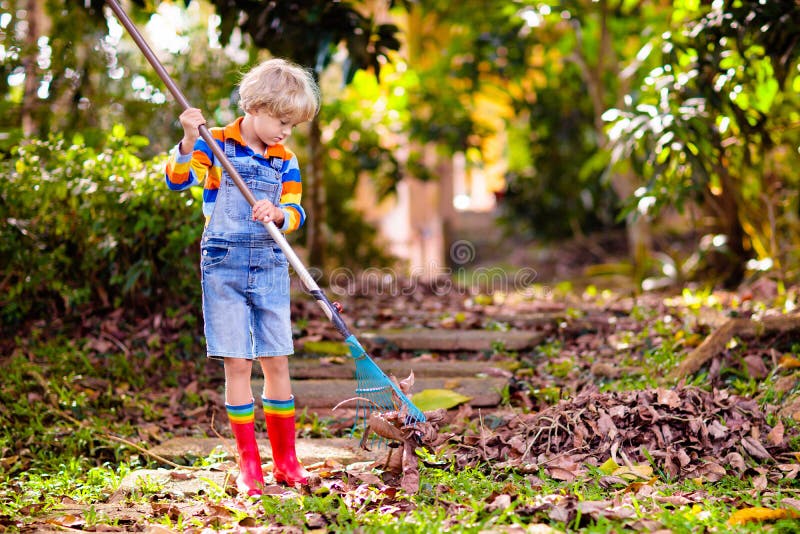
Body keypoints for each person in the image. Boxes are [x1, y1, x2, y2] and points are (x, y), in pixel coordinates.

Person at [164, 58, 320, 496]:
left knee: (275, 359)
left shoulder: (285, 161)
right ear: (254, 105)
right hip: (224, 263)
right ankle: (248, 463)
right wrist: (190, 138)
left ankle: (286, 462)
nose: (286, 132)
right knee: (238, 361)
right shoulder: (217, 146)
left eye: (293, 124)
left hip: (269, 263)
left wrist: (281, 214)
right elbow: (179, 181)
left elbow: (296, 211)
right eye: (282, 120)